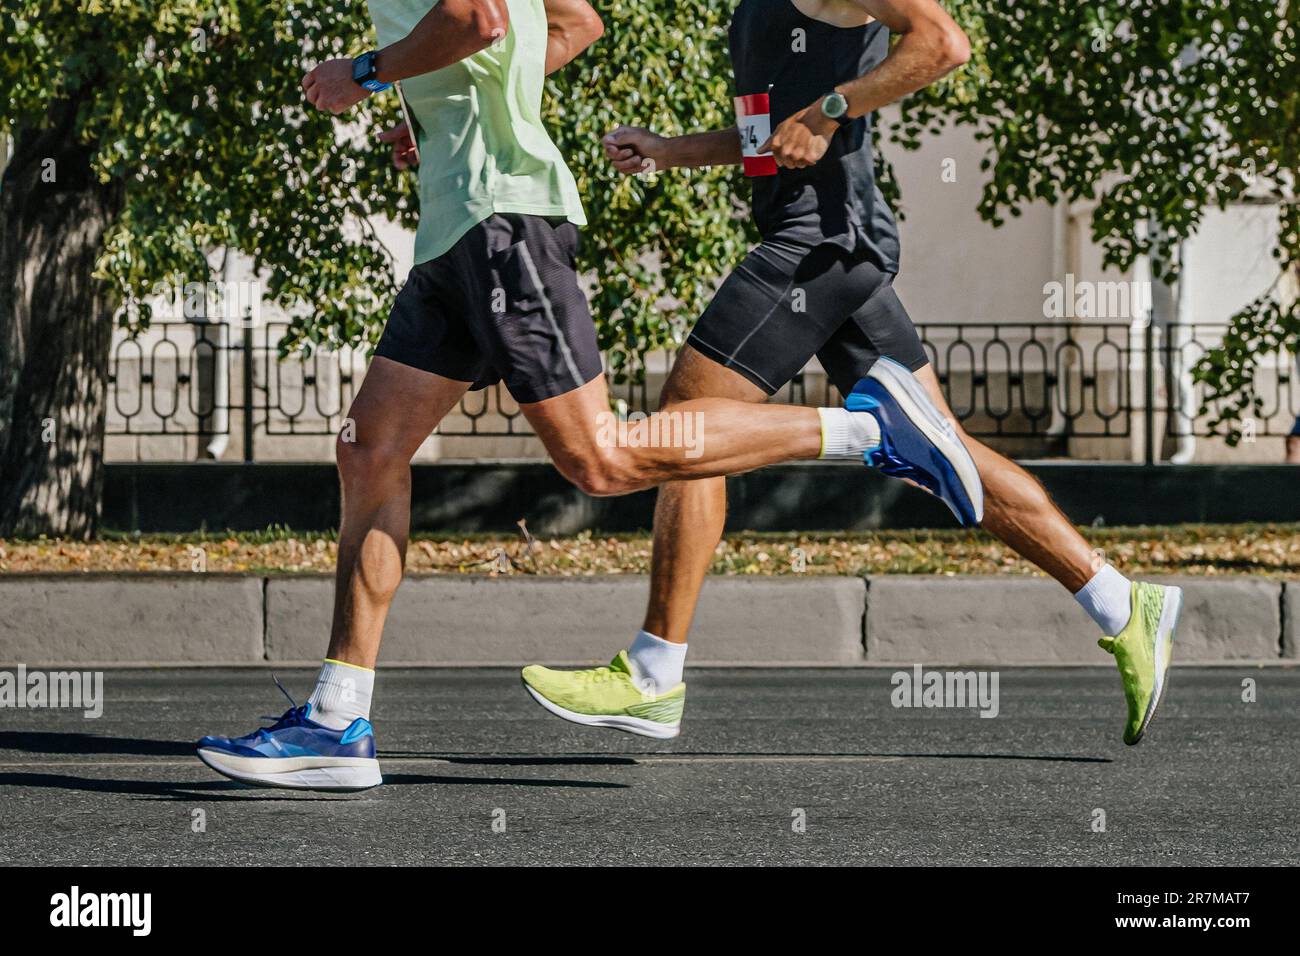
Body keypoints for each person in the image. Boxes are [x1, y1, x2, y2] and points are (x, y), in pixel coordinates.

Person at [195, 0, 982, 791]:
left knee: (599, 460)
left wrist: (365, 74)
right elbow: (573, 22)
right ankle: (336, 721)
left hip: (503, 217)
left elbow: (478, 18)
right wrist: (437, 92)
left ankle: (864, 428)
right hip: (453, 222)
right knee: (369, 449)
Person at [520, 0, 1182, 748]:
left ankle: (651, 673)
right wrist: (671, 151)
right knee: (947, 453)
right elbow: (772, 140)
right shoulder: (752, 11)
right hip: (834, 253)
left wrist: (835, 108)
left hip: (821, 246)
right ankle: (1121, 603)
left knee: (688, 423)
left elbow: (942, 42)